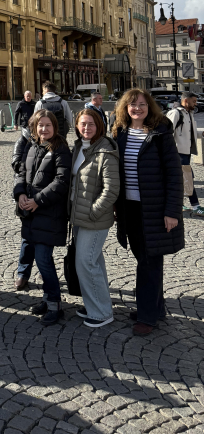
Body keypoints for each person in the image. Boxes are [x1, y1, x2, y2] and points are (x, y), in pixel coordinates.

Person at [112, 88, 184, 336]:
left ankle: (146, 316)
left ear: (149, 107)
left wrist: (172, 211)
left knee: (148, 261)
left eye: (142, 104)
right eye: (132, 104)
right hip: (129, 208)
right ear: (125, 108)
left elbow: (174, 174)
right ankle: (155, 306)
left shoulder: (160, 132)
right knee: (143, 256)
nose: (138, 108)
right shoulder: (119, 131)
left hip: (153, 208)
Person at [13, 109, 71, 324]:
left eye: (48, 125)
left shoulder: (61, 148)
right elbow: (21, 172)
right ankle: (47, 299)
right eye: (40, 125)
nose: (44, 129)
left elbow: (61, 182)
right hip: (31, 213)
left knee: (44, 259)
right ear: (34, 127)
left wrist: (38, 200)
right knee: (40, 259)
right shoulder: (32, 145)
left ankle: (55, 305)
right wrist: (19, 193)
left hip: (49, 213)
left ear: (55, 126)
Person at [69, 109, 120, 328]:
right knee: (94, 262)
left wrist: (93, 212)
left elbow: (111, 190)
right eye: (83, 124)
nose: (86, 128)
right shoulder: (79, 147)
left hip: (94, 218)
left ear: (99, 125)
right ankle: (96, 304)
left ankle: (101, 312)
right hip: (79, 216)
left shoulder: (105, 151)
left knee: (85, 263)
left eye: (91, 124)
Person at [166, 91, 203, 216]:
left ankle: (179, 203)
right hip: (178, 153)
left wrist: (201, 134)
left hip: (186, 152)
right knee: (188, 178)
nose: (195, 104)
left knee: (182, 179)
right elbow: (167, 133)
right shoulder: (175, 113)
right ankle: (196, 206)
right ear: (186, 101)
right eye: (194, 101)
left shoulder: (189, 113)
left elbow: (189, 132)